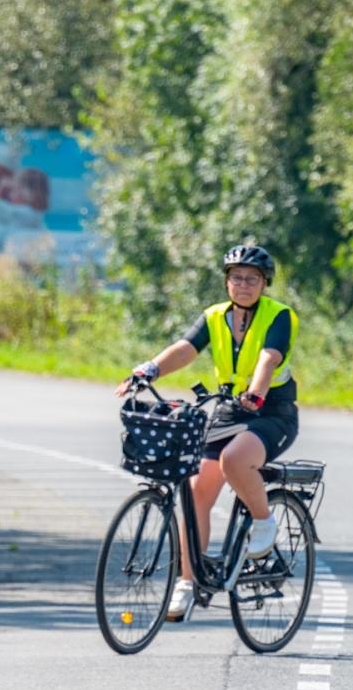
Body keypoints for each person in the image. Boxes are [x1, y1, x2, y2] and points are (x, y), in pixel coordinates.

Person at [115, 244, 299, 620]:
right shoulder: (215, 316)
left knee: (235, 461)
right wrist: (149, 369)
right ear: (226, 282)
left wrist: (257, 393)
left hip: (271, 412)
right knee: (197, 490)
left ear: (264, 284)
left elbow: (269, 358)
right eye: (235, 278)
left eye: (251, 279)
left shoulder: (280, 316)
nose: (243, 284)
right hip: (230, 410)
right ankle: (187, 582)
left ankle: (263, 522)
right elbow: (185, 348)